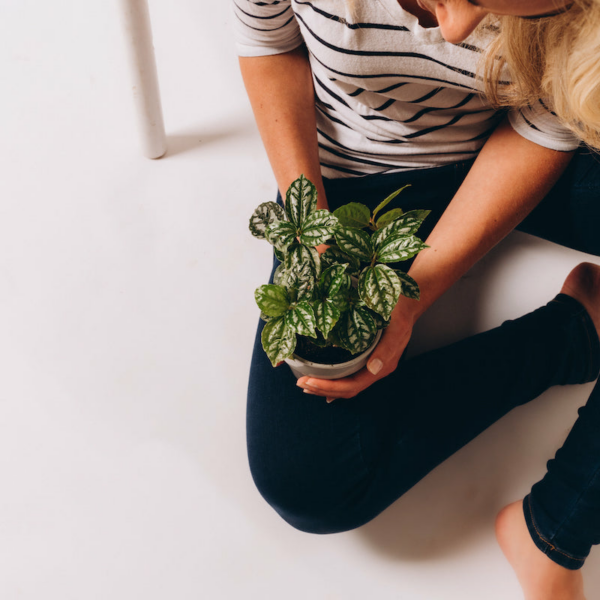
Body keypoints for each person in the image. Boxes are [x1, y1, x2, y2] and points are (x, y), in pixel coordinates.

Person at [233, 0, 600, 597]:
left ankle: (554, 532)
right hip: (356, 178)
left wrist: (413, 292)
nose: (452, 32)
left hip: (513, 150)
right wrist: (313, 228)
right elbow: (273, 45)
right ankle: (574, 333)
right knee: (309, 478)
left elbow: (542, 125)